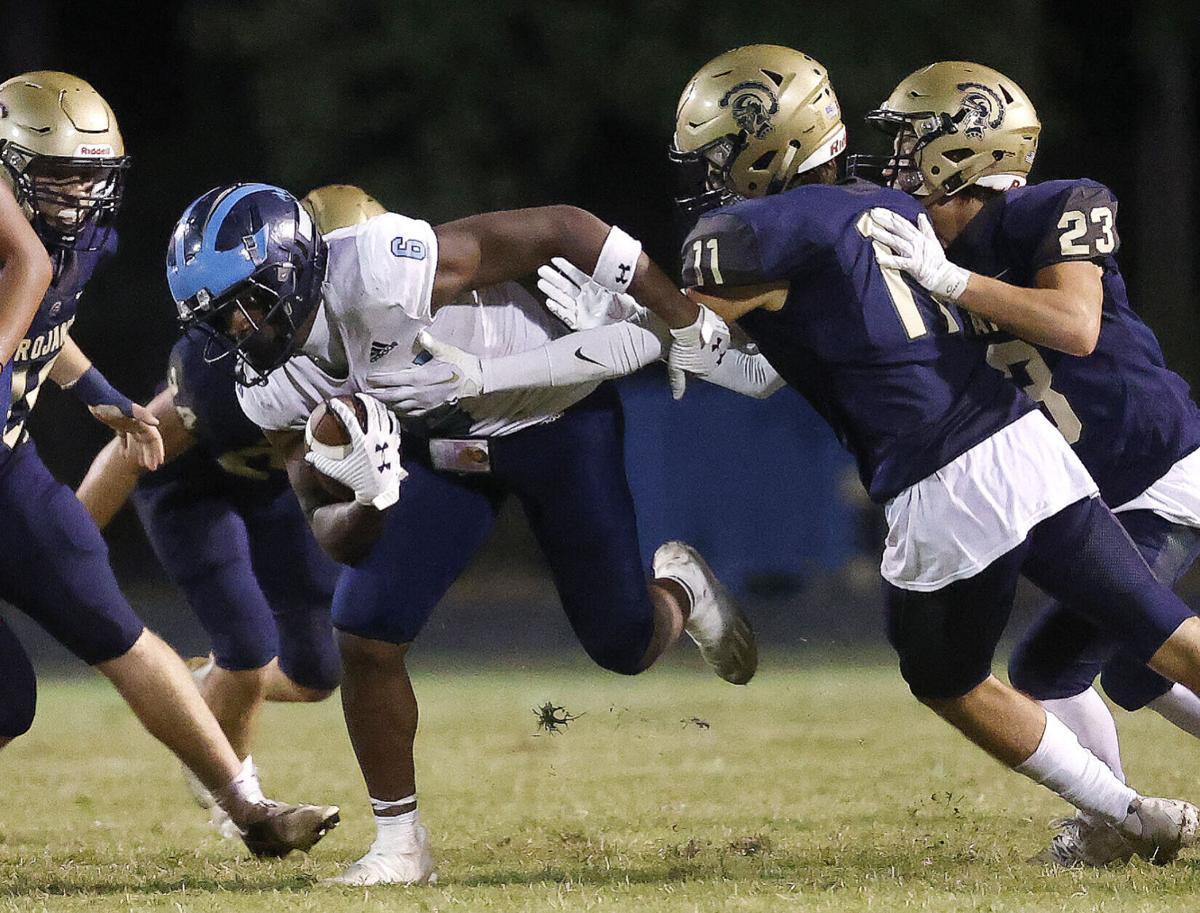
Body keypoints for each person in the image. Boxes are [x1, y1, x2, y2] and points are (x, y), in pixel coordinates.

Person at [408, 44, 1200, 864]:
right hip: (1024, 442)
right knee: (1156, 629)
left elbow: (665, 337)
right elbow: (753, 366)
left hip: (943, 480)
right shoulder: (879, 207)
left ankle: (1133, 812)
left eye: (719, 153)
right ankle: (1133, 813)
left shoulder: (752, 231)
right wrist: (648, 324)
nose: (711, 174)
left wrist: (511, 367)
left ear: (764, 146)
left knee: (947, 679)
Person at [163, 179, 761, 884]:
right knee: (362, 630)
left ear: (293, 272)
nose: (236, 331)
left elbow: (565, 224)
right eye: (217, 320)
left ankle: (680, 587)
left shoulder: (380, 267)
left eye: (246, 306)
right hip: (437, 451)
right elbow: (329, 531)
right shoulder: (270, 384)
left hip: (554, 421)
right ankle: (400, 843)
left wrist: (682, 319)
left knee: (624, 642)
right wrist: (373, 496)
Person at [851, 60, 1200, 866]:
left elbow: (1075, 327)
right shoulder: (920, 249)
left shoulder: (1056, 206)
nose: (899, 157)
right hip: (1086, 487)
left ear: (965, 149)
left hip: (1159, 470)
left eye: (912, 138)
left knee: (1107, 652)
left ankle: (1120, 824)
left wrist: (951, 280)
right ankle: (1125, 819)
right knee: (1110, 669)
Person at [0, 70, 337, 857]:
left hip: (10, 470)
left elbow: (40, 322)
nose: (77, 194)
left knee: (117, 626)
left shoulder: (69, 240)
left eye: (90, 176)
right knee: (10, 699)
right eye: (56, 175)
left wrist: (99, 392)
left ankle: (248, 807)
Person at [76, 187, 388, 834]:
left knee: (315, 672)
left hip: (272, 488)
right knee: (249, 646)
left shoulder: (387, 342)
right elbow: (136, 445)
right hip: (190, 488)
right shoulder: (224, 366)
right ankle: (237, 796)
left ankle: (199, 690)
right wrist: (65, 547)